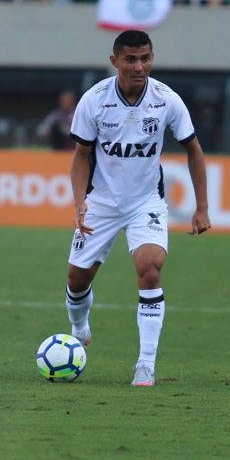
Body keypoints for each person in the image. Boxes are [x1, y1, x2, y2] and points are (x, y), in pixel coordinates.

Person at [62, 30, 210, 387]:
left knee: (150, 270)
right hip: (101, 202)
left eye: (145, 58)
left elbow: (194, 150)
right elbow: (81, 156)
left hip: (147, 201)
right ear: (115, 62)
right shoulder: (94, 100)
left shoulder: (165, 99)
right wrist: (80, 202)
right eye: (130, 59)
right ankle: (79, 327)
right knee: (76, 280)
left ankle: (145, 364)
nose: (139, 66)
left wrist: (202, 207)